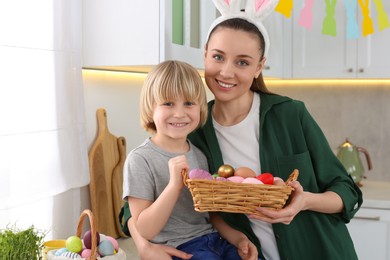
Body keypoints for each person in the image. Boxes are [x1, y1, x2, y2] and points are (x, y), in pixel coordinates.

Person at [129, 0, 363, 259]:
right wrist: (143, 245)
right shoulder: (192, 129)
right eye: (218, 57)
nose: (226, 72)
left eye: (242, 62)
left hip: (319, 251)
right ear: (205, 54)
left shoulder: (290, 114)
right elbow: (133, 210)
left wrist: (304, 201)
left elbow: (346, 190)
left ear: (259, 67)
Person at [122, 60, 258, 260]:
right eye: (168, 103)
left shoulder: (199, 155)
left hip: (214, 240)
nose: (179, 113)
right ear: (151, 108)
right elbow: (144, 230)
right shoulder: (140, 159)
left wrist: (237, 238)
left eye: (189, 103)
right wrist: (174, 186)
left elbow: (209, 214)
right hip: (181, 248)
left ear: (200, 108)